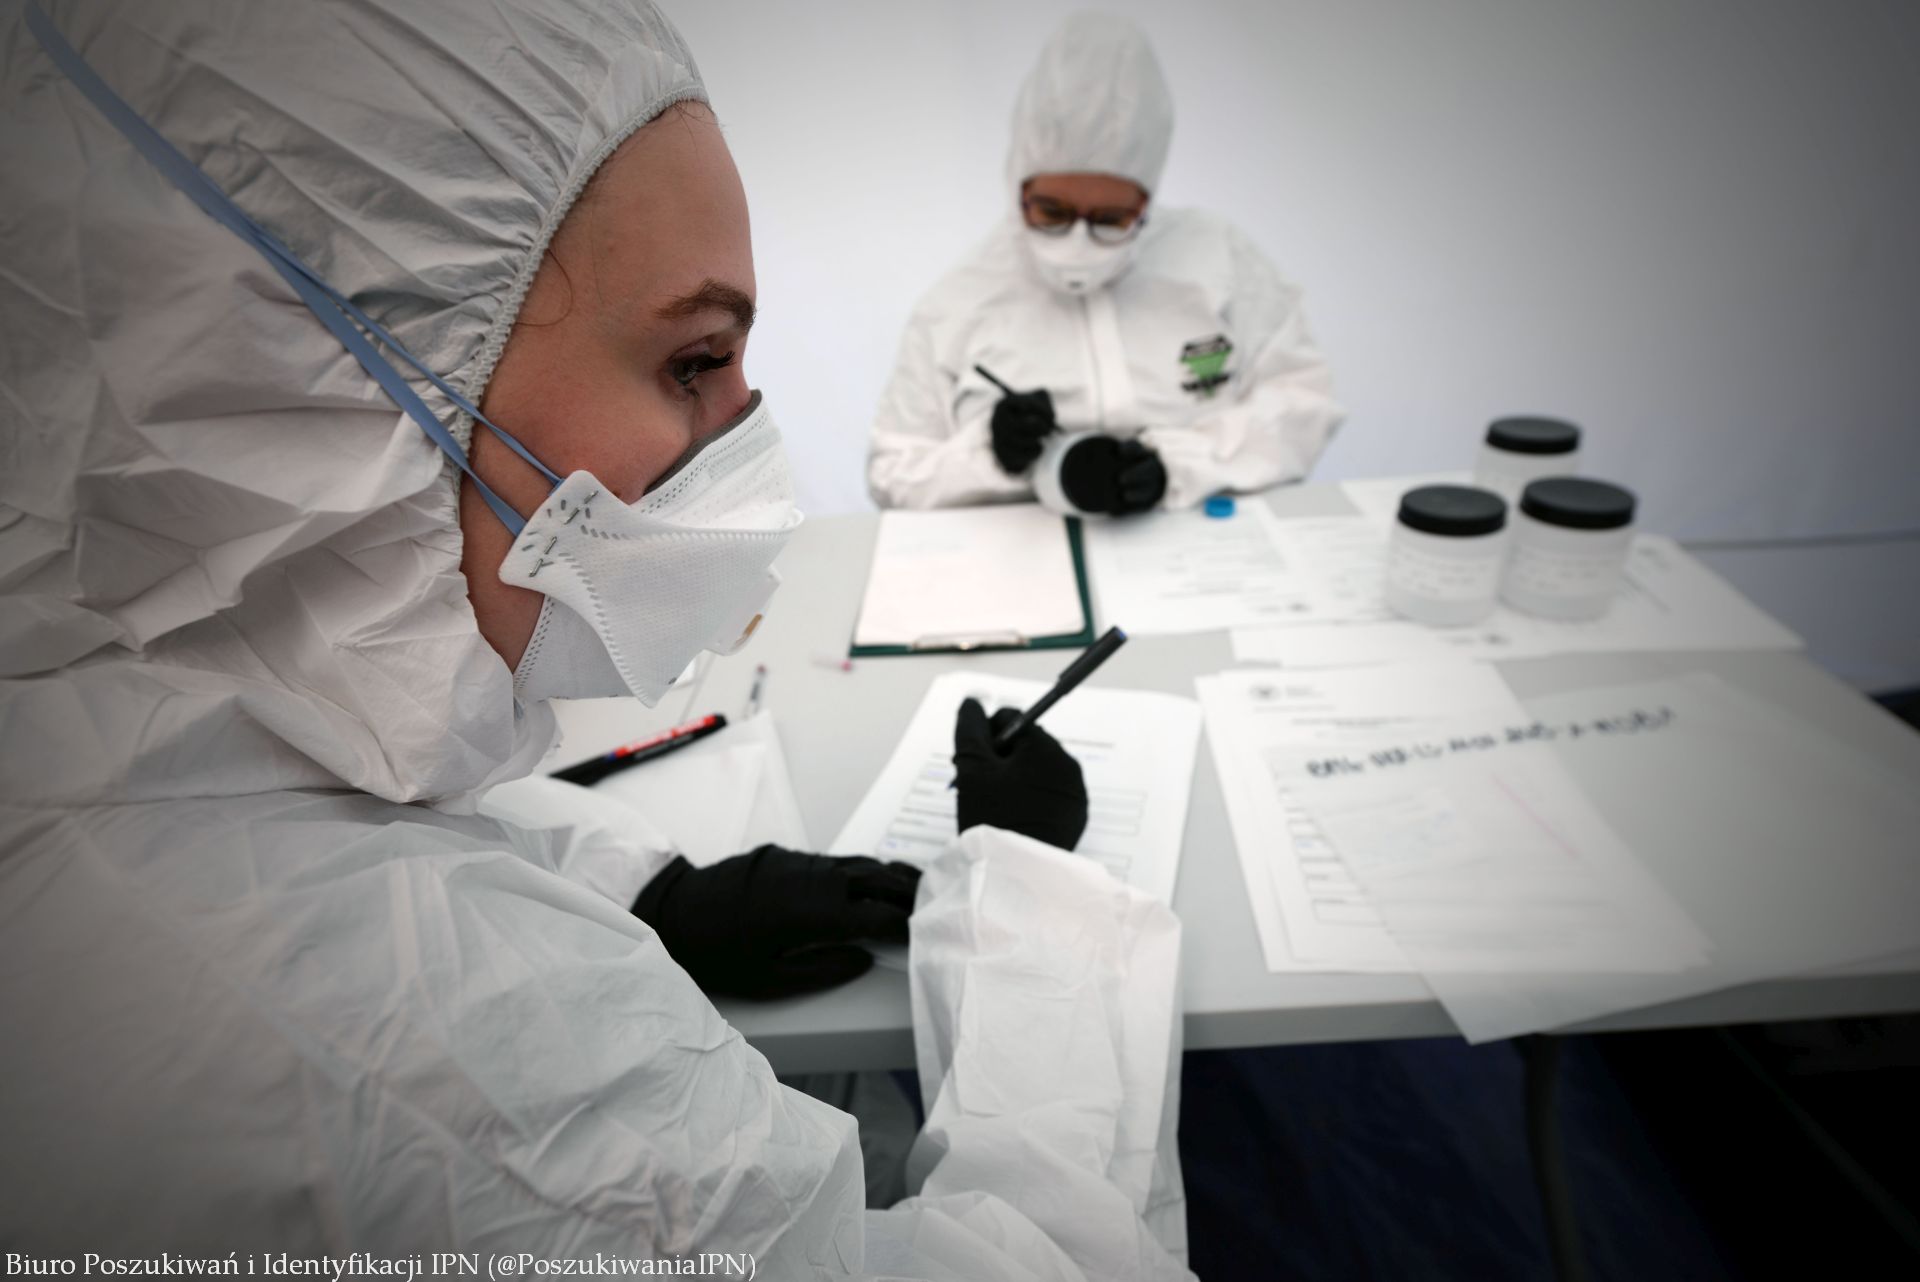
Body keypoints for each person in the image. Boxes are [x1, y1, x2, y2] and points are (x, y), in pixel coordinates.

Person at [0, 2, 1191, 1276]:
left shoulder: (92, 707)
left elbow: (279, 801)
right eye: (695, 361)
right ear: (337, 384)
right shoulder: (441, 1063)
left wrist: (641, 886)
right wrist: (1034, 899)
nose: (744, 431)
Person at [868, 13, 1346, 516]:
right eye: (1052, 212)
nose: (1078, 240)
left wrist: (1180, 465)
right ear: (1019, 186)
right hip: (1021, 553)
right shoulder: (959, 301)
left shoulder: (1217, 258)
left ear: (1145, 202)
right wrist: (990, 456)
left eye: (1111, 218)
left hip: (1193, 542)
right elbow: (892, 473)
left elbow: (1302, 399)